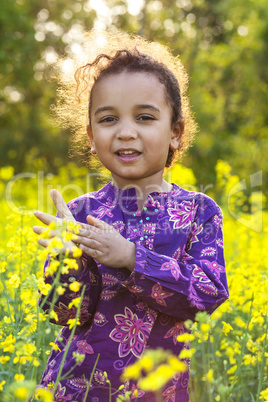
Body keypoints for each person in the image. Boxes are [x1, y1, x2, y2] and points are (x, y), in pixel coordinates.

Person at [33, 31, 229, 401]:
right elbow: (61, 314)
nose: (125, 132)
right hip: (76, 390)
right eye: (108, 120)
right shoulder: (80, 213)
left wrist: (131, 258)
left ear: (175, 132)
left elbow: (207, 294)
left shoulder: (199, 213)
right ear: (91, 136)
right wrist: (65, 259)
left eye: (144, 117)